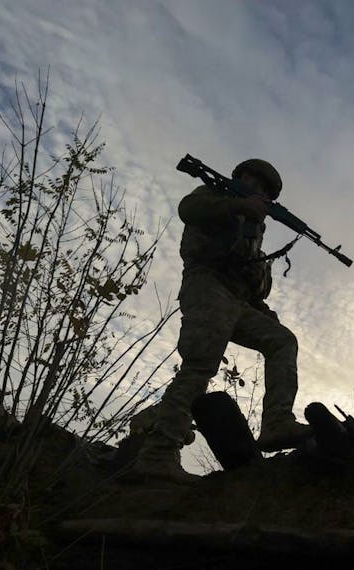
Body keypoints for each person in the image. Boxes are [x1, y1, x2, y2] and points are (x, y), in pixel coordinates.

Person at [129, 158, 311, 483]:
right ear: (241, 178)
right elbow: (188, 209)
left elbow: (250, 283)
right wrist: (238, 206)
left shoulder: (254, 228)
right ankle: (158, 454)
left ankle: (276, 423)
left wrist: (263, 308)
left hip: (237, 301)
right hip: (207, 286)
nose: (259, 191)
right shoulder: (214, 196)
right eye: (254, 183)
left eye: (265, 191)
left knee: (283, 341)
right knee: (200, 366)